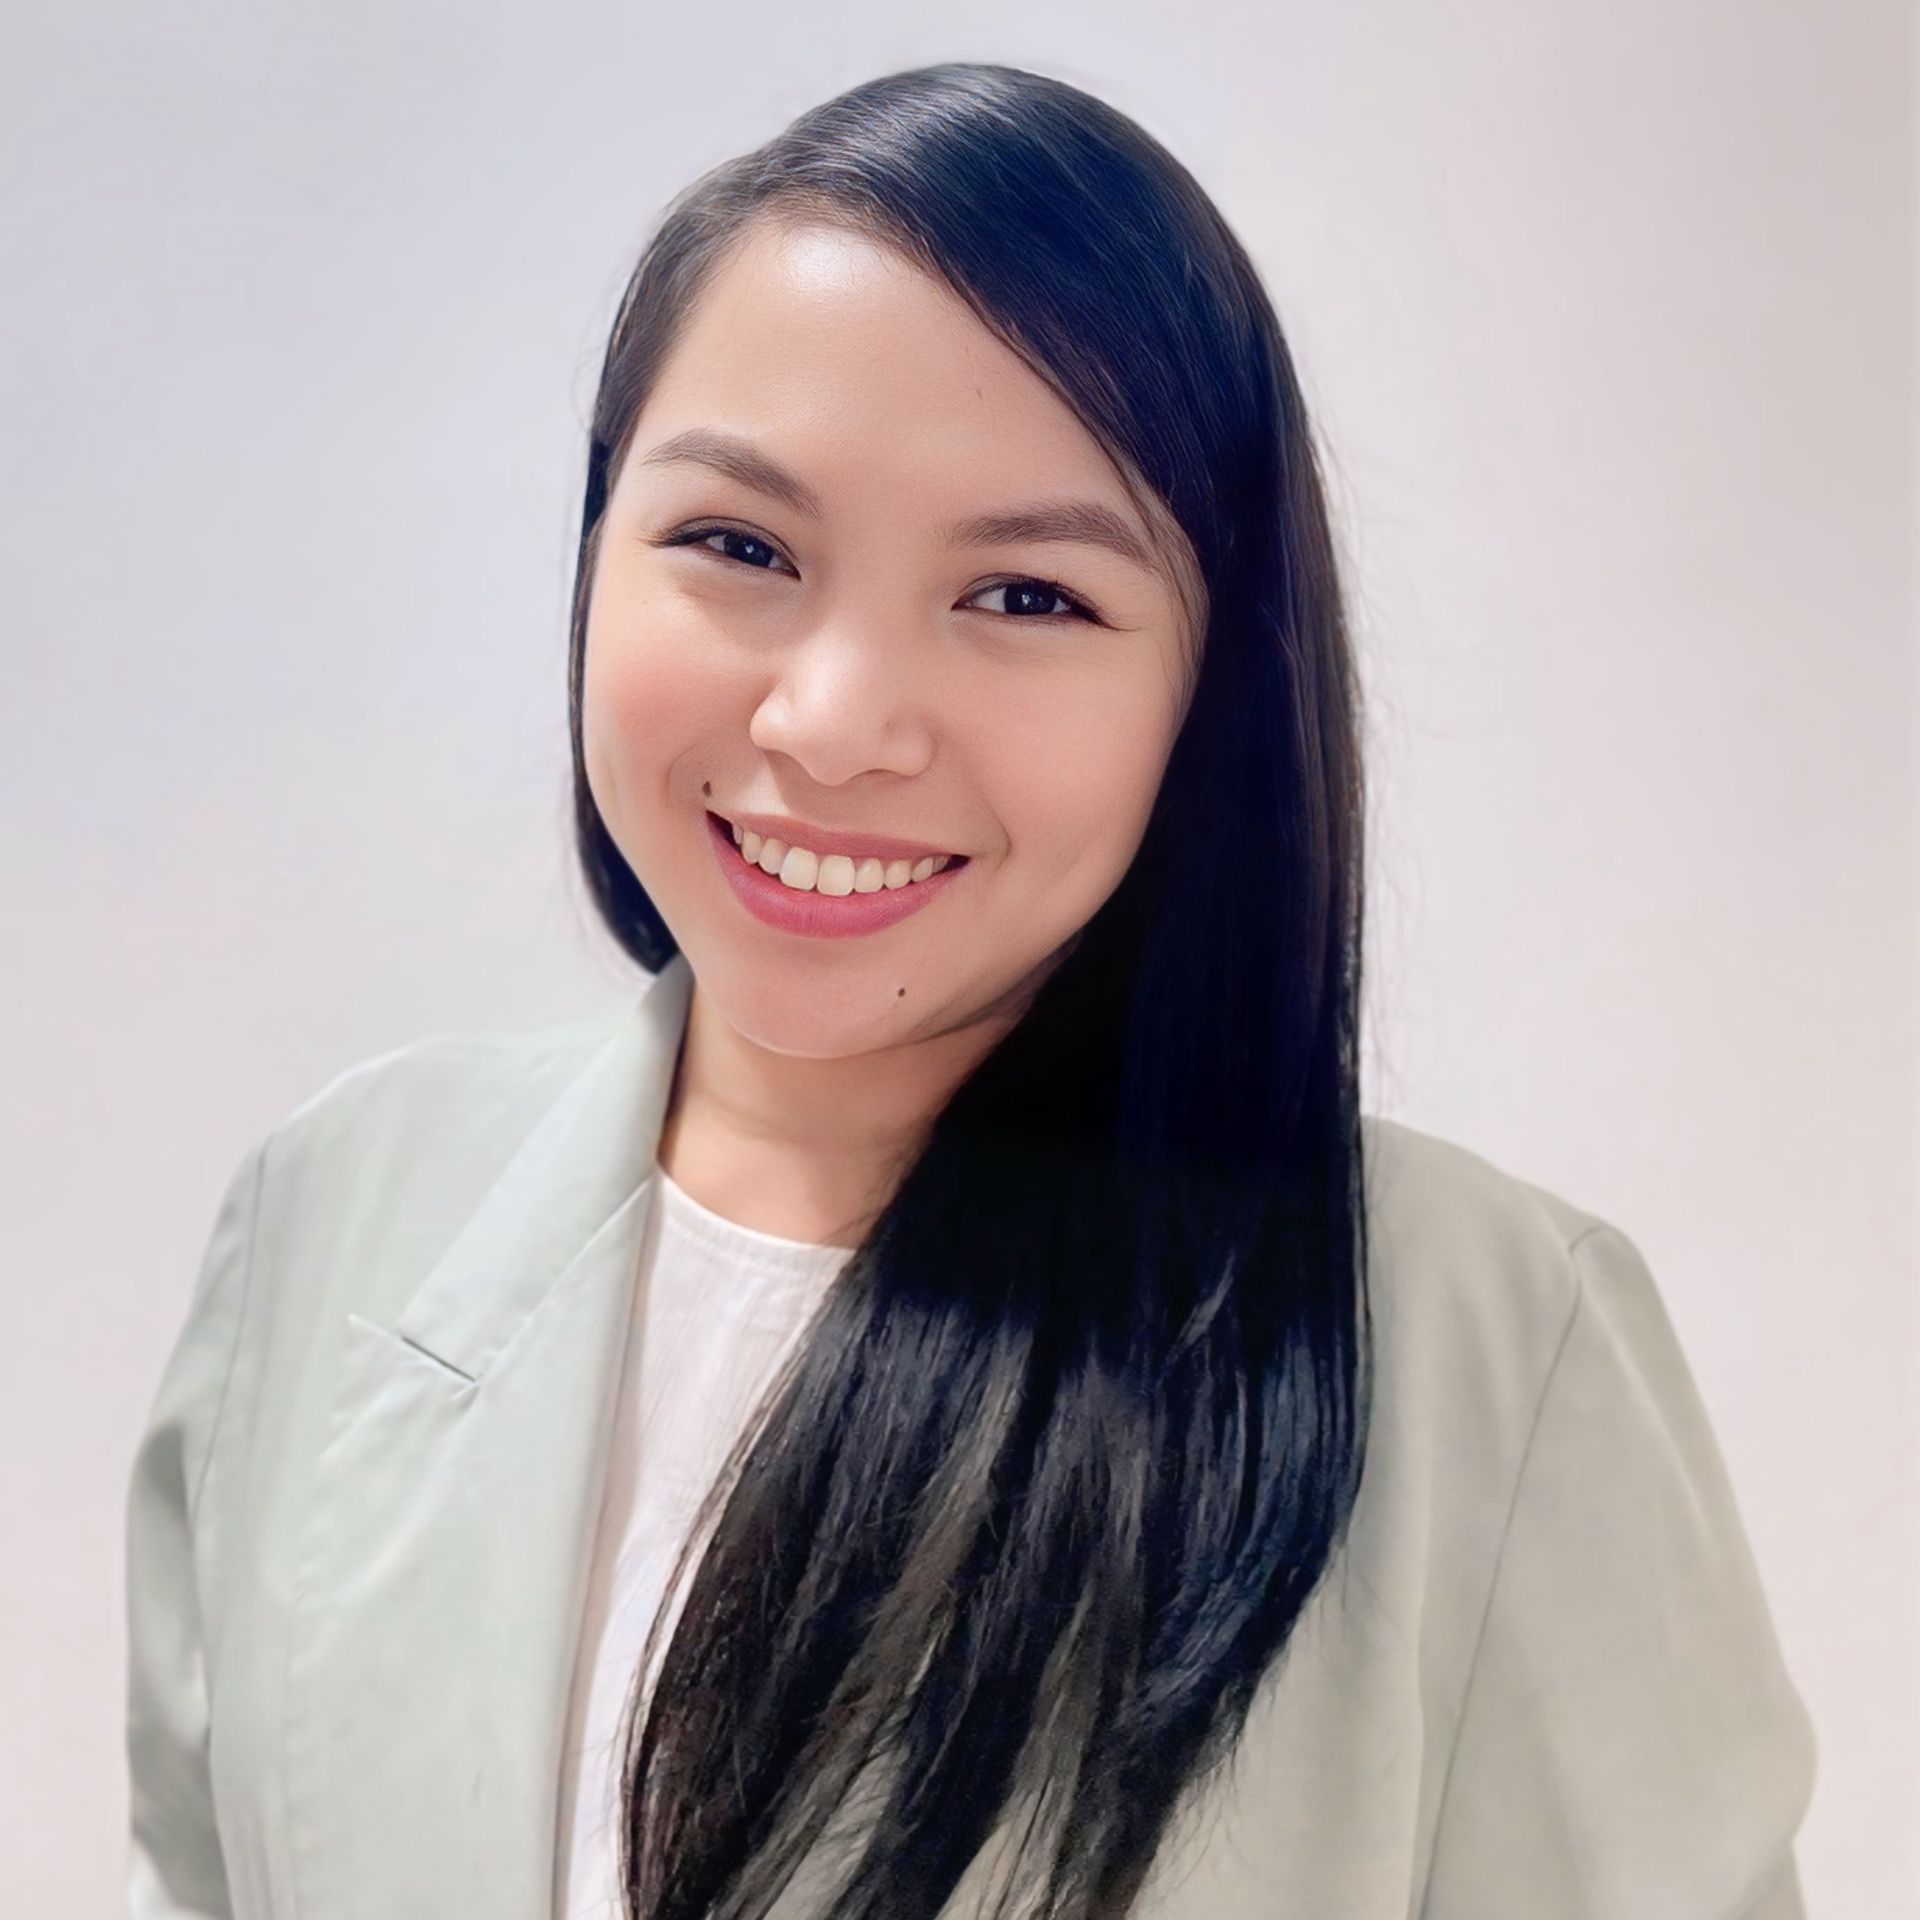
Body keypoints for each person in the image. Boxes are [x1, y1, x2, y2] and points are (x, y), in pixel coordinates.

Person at [124, 61, 1816, 1920]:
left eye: (1025, 596)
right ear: (596, 548)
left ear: (1211, 691)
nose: (833, 723)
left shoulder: (1487, 1356)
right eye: (740, 546)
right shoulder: (334, 1213)